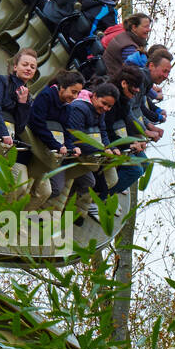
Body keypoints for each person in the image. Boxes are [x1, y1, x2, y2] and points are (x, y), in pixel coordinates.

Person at [0, 47, 46, 206]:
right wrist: (4, 134)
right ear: (15, 66)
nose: (28, 68)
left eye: (32, 67)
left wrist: (22, 104)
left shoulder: (27, 95)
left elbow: (20, 128)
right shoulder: (2, 81)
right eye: (25, 64)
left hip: (1, 144)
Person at [61, 82, 121, 219]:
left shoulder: (99, 112)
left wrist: (111, 147)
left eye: (109, 106)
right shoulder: (80, 108)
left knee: (89, 183)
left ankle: (68, 210)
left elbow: (102, 132)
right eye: (104, 103)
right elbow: (77, 137)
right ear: (94, 96)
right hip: (69, 152)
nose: (106, 108)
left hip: (85, 154)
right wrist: (102, 150)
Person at [100, 65, 150, 202]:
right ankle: (100, 198)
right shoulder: (111, 99)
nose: (137, 91)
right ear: (123, 84)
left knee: (144, 163)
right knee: (134, 171)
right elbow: (106, 129)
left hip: (118, 136)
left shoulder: (126, 100)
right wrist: (131, 144)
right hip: (106, 138)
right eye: (134, 89)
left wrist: (140, 137)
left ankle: (113, 191)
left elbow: (128, 120)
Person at [103, 12, 152, 77]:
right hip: (114, 82)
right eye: (146, 27)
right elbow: (133, 75)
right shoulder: (129, 47)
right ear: (134, 27)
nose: (149, 30)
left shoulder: (124, 37)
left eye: (149, 27)